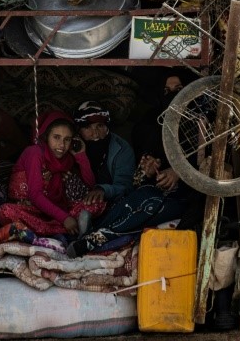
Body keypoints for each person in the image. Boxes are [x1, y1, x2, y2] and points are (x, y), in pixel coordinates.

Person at [67, 70, 199, 257]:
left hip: (183, 198)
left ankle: (95, 237)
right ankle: (93, 235)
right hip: (145, 194)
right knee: (139, 198)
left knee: (151, 203)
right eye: (166, 91)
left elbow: (209, 165)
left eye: (179, 89)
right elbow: (137, 181)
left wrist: (178, 171)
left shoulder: (201, 124)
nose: (95, 134)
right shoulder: (152, 127)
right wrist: (148, 169)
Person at [0, 110, 105, 237]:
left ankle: (60, 230)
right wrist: (65, 219)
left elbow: (90, 186)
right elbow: (35, 195)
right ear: (46, 136)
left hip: (55, 211)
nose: (61, 145)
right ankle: (68, 230)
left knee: (96, 203)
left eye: (67, 139)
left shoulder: (67, 159)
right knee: (6, 211)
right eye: (56, 137)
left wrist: (81, 156)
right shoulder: (34, 153)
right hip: (30, 211)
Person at [72, 100, 135, 206]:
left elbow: (125, 186)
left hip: (112, 204)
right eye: (87, 127)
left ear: (107, 126)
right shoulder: (72, 146)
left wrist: (103, 190)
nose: (95, 133)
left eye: (100, 126)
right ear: (79, 130)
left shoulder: (121, 148)